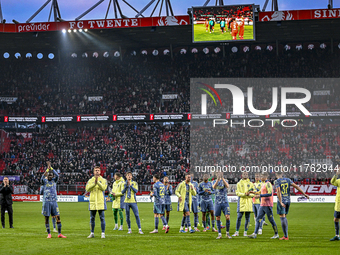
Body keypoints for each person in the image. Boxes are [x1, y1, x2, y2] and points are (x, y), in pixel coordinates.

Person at [275, 171, 309, 240]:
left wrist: (281, 202)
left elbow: (278, 191)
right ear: (282, 174)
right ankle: (286, 235)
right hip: (288, 200)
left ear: (276, 175)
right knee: (285, 216)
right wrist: (304, 194)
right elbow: (296, 186)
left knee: (282, 217)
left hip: (282, 200)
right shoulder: (288, 180)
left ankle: (285, 236)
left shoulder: (277, 181)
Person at [248, 172, 279, 239]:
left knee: (271, 220)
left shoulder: (268, 184)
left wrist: (260, 196)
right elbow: (260, 192)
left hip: (268, 205)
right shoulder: (263, 184)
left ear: (265, 177)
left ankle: (276, 234)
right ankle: (255, 234)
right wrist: (254, 192)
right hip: (262, 204)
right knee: (258, 219)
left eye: (262, 176)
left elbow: (270, 193)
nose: (260, 177)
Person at [41, 161, 66, 238]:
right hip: (46, 202)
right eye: (49, 175)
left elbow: (57, 175)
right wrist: (47, 170)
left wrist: (51, 168)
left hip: (54, 201)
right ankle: (49, 233)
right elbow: (42, 177)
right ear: (47, 175)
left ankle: (59, 234)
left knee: (58, 217)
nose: (50, 176)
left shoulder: (54, 181)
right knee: (47, 218)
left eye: (52, 175)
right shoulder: (44, 181)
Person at [86, 166, 108, 239]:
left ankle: (103, 233)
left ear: (100, 171)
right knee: (92, 218)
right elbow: (87, 189)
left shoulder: (103, 180)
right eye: (96, 170)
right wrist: (94, 183)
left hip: (100, 202)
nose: (97, 171)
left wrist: (97, 182)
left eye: (98, 170)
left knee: (102, 218)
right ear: (93, 172)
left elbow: (103, 188)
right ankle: (92, 233)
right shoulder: (90, 180)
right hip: (92, 202)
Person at [233, 171, 254, 237]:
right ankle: (237, 232)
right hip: (241, 202)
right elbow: (237, 193)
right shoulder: (239, 183)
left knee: (247, 218)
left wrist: (249, 194)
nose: (245, 175)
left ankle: (245, 232)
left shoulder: (251, 183)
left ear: (248, 175)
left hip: (248, 203)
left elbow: (253, 193)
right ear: (242, 175)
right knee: (239, 217)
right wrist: (245, 194)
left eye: (246, 174)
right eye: (244, 174)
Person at [213, 172, 231, 239]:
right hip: (217, 202)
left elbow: (227, 186)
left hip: (225, 201)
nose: (219, 174)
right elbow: (213, 187)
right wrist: (217, 180)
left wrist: (222, 178)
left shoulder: (225, 180)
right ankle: (219, 234)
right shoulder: (214, 181)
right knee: (218, 217)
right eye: (218, 173)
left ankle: (227, 233)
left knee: (227, 217)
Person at [330, 170, 340, 241]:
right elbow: (332, 182)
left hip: (339, 204)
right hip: (338, 204)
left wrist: (336, 174)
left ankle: (337, 235)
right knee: (336, 219)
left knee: (336, 219)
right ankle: (337, 235)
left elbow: (332, 182)